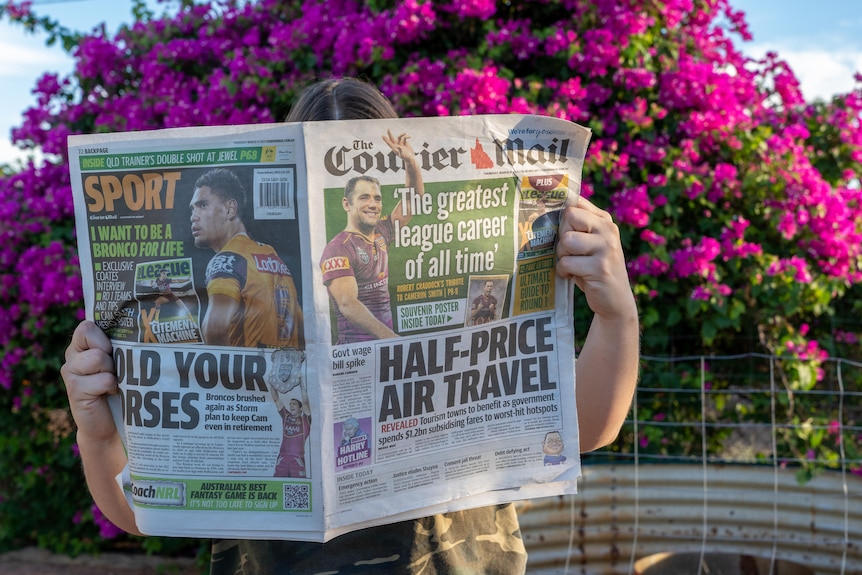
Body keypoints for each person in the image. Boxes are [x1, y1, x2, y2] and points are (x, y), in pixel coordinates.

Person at [61, 77, 640, 575]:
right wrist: (98, 431)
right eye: (361, 194)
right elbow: (139, 512)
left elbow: (585, 430)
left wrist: (616, 314)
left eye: (376, 191)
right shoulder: (301, 258)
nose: (372, 203)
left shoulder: (373, 240)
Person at [319, 132, 424, 344]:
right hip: (357, 353)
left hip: (385, 349)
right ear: (346, 204)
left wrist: (411, 162)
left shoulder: (382, 231)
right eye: (364, 197)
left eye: (377, 198)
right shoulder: (338, 248)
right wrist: (393, 340)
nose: (373, 204)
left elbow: (413, 202)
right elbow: (348, 304)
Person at [189, 167, 303, 349]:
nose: (193, 217)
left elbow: (215, 330)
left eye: (202, 205)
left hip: (250, 375)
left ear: (230, 209)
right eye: (192, 209)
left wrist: (228, 376)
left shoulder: (227, 259)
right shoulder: (273, 257)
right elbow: (300, 327)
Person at [270, 377, 311, 478]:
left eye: (294, 404)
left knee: (299, 485)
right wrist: (271, 383)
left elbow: (305, 402)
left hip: (297, 459)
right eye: (290, 404)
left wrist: (301, 384)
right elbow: (276, 398)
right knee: (278, 484)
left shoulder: (305, 420)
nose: (291, 406)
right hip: (282, 458)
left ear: (300, 408)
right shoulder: (286, 416)